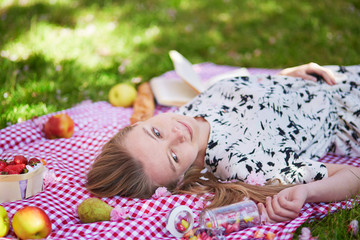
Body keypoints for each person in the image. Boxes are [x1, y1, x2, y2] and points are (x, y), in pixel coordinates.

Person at [86, 63, 360, 223]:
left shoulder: (189, 112)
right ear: (180, 179)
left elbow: (258, 102)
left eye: (156, 133)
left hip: (337, 77)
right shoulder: (241, 162)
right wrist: (308, 193)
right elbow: (353, 175)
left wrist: (286, 75)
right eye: (174, 157)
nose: (178, 135)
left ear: (139, 124)